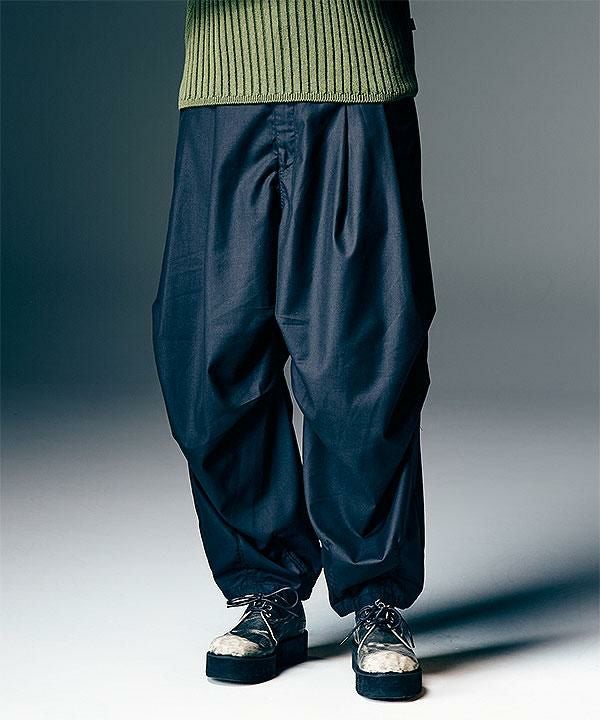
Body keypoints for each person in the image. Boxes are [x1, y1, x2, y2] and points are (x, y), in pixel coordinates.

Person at [151, 0, 436, 701]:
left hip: (354, 72)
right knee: (207, 355)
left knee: (362, 359)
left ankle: (376, 598)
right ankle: (267, 587)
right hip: (224, 81)